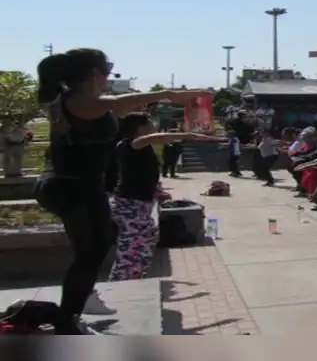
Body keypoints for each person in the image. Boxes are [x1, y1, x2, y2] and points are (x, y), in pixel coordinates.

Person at [32, 48, 208, 334]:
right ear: (95, 72)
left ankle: (77, 306)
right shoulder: (78, 101)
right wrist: (167, 94)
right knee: (90, 253)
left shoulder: (76, 101)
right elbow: (117, 103)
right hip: (72, 186)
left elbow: (120, 108)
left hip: (82, 185)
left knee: (96, 249)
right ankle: (69, 319)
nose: (109, 73)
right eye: (108, 67)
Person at [110, 113, 217, 281]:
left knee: (147, 237)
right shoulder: (130, 144)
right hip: (130, 204)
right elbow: (157, 137)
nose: (154, 125)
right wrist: (190, 135)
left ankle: (135, 277)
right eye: (150, 122)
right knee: (132, 246)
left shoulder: (141, 147)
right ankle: (120, 281)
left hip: (140, 203)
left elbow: (141, 173)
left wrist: (156, 191)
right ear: (140, 127)